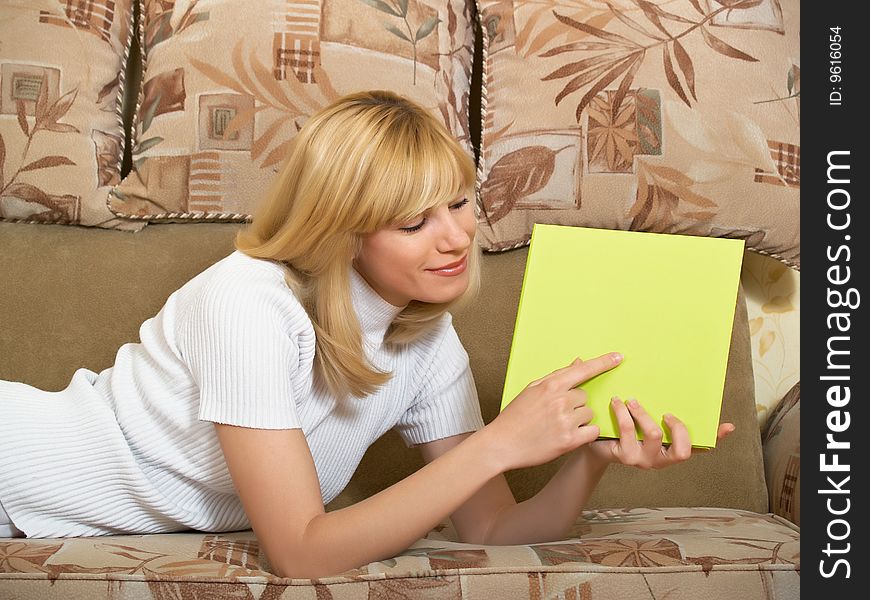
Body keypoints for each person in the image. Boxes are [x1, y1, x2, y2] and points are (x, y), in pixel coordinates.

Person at [0, 90, 734, 576]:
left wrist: (591, 459)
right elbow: (298, 552)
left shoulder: (426, 342)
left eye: (458, 203)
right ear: (343, 232)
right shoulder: (247, 301)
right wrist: (498, 443)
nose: (454, 239)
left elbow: (493, 534)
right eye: (414, 222)